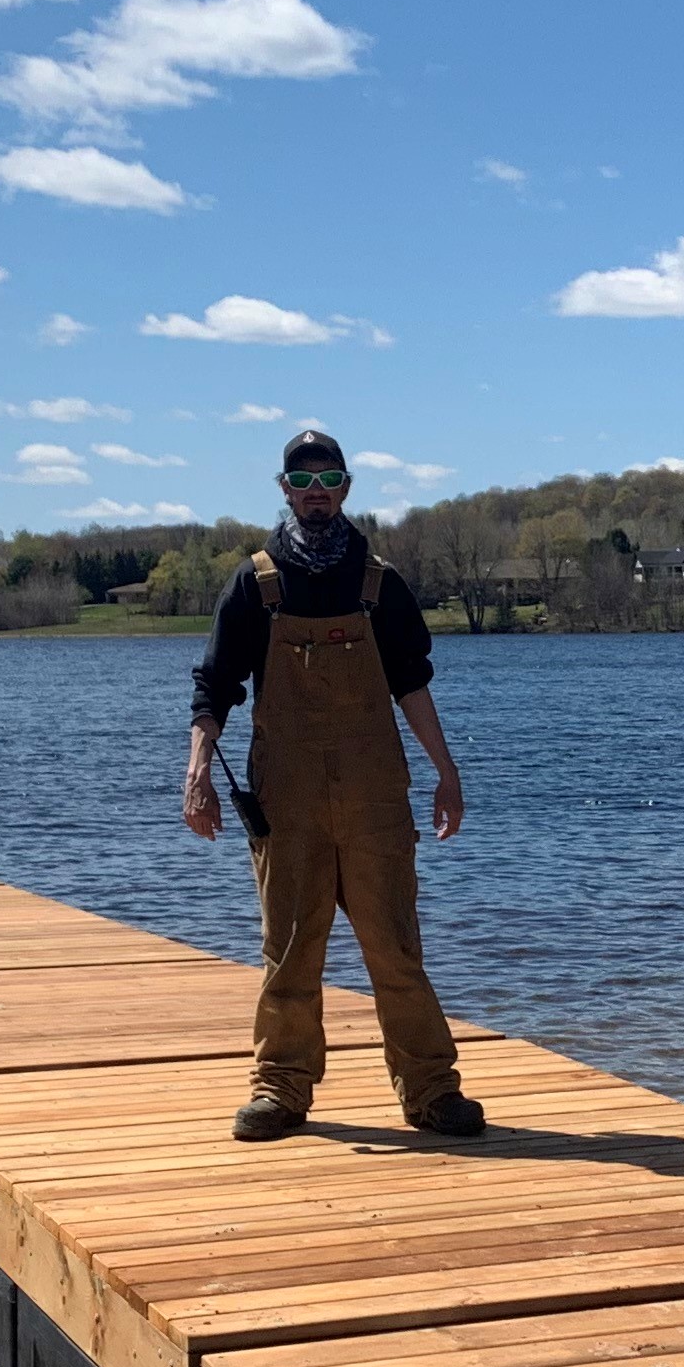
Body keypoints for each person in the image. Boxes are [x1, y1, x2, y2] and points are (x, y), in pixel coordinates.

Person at [180, 428, 486, 1142]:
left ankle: (433, 1091)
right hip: (286, 796)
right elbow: (215, 686)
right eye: (302, 481)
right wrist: (197, 773)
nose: (316, 493)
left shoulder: (380, 582)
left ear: (347, 487)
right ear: (283, 488)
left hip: (376, 793)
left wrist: (447, 772)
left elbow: (412, 684)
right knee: (289, 949)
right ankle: (280, 1090)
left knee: (395, 946)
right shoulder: (255, 583)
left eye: (329, 480)